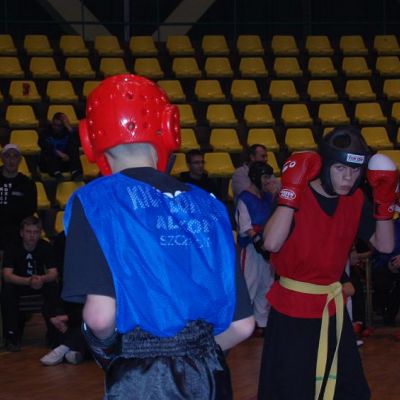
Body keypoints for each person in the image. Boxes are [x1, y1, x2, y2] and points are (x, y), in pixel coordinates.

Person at [61, 74, 254, 399]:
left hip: (142, 376)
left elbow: (99, 316)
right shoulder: (211, 205)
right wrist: (197, 354)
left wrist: (112, 352)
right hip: (209, 374)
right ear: (169, 126)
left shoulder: (94, 201)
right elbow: (243, 325)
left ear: (89, 138)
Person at [258, 126, 398, 400]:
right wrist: (290, 191)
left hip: (332, 308)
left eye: (355, 170)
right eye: (340, 168)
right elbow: (271, 243)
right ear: (324, 165)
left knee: (350, 390)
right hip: (292, 310)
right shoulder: (298, 192)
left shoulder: (355, 199)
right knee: (292, 391)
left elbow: (385, 246)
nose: (348, 177)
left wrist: (385, 202)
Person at [1, 216, 59, 352]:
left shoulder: (46, 247)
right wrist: (27, 281)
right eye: (28, 232)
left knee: (53, 287)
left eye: (35, 232)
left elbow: (53, 273)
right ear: (22, 233)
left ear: (40, 233)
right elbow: (7, 275)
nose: (32, 236)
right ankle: (12, 336)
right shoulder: (12, 247)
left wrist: (42, 279)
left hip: (39, 283)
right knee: (7, 289)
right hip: (19, 284)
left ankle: (54, 335)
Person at [235, 162, 275, 333]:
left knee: (266, 284)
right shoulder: (244, 198)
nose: (268, 181)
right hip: (251, 248)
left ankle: (262, 323)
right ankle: (241, 324)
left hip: (267, 245)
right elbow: (245, 225)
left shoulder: (268, 198)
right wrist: (257, 239)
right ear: (255, 177)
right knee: (249, 284)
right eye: (265, 177)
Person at [0, 144, 37, 251]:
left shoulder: (27, 184)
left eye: (15, 156)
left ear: (20, 160)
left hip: (16, 231)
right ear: (2, 159)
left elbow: (30, 210)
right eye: (8, 156)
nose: (11, 160)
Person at [38, 112, 83, 181]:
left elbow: (78, 142)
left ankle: (75, 172)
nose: (56, 128)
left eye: (59, 126)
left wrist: (69, 127)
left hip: (64, 161)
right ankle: (56, 173)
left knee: (73, 146)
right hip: (49, 164)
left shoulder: (67, 132)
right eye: (54, 125)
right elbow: (43, 145)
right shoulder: (45, 132)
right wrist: (60, 154)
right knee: (48, 151)